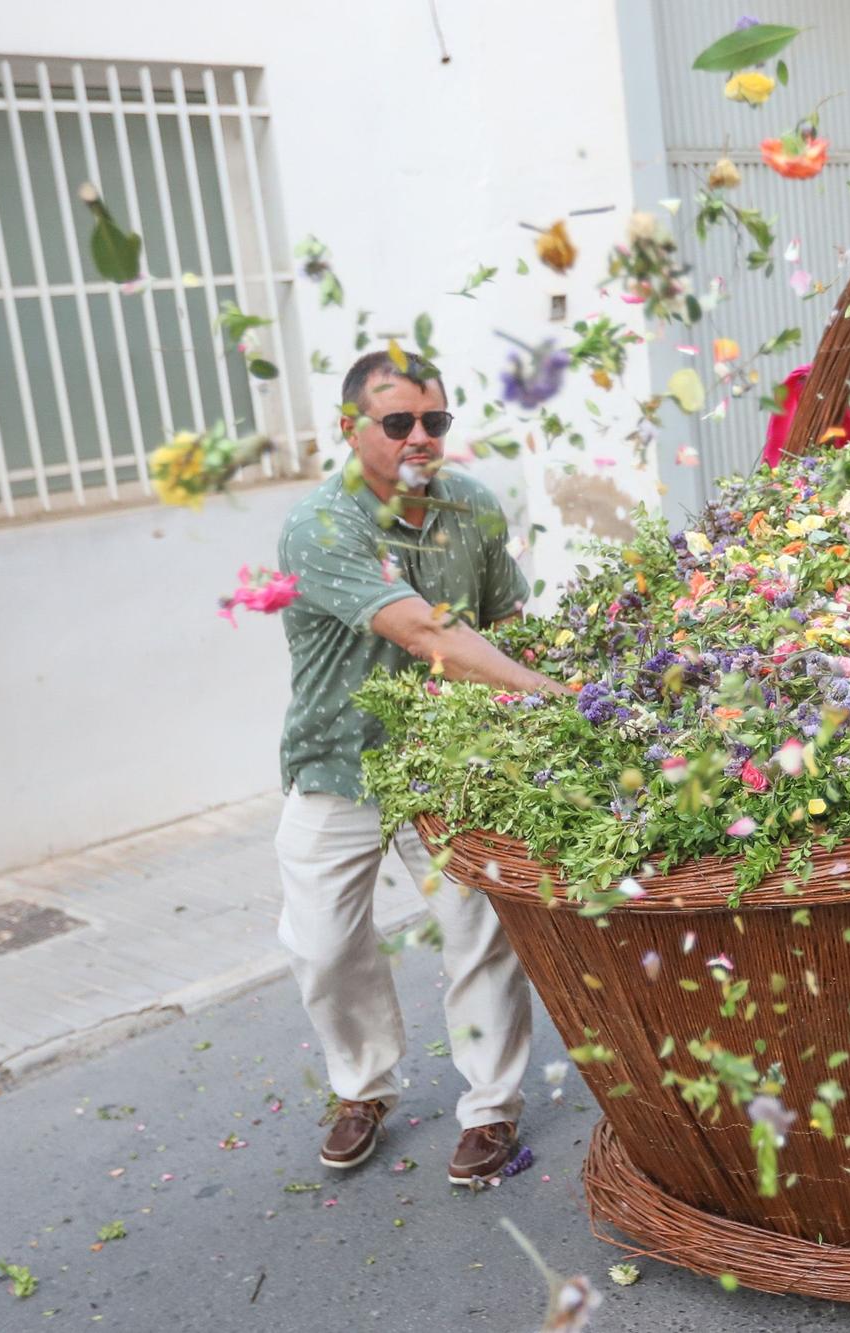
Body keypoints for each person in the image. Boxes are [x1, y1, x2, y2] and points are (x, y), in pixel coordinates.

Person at [274, 349, 565, 1185]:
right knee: (324, 944)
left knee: (482, 935)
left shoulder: (471, 505)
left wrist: (551, 696)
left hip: (452, 761)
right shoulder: (322, 525)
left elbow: (505, 620)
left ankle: (491, 1110)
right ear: (349, 428)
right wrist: (551, 692)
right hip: (339, 763)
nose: (420, 437)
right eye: (397, 421)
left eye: (434, 420)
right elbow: (426, 633)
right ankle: (362, 1085)